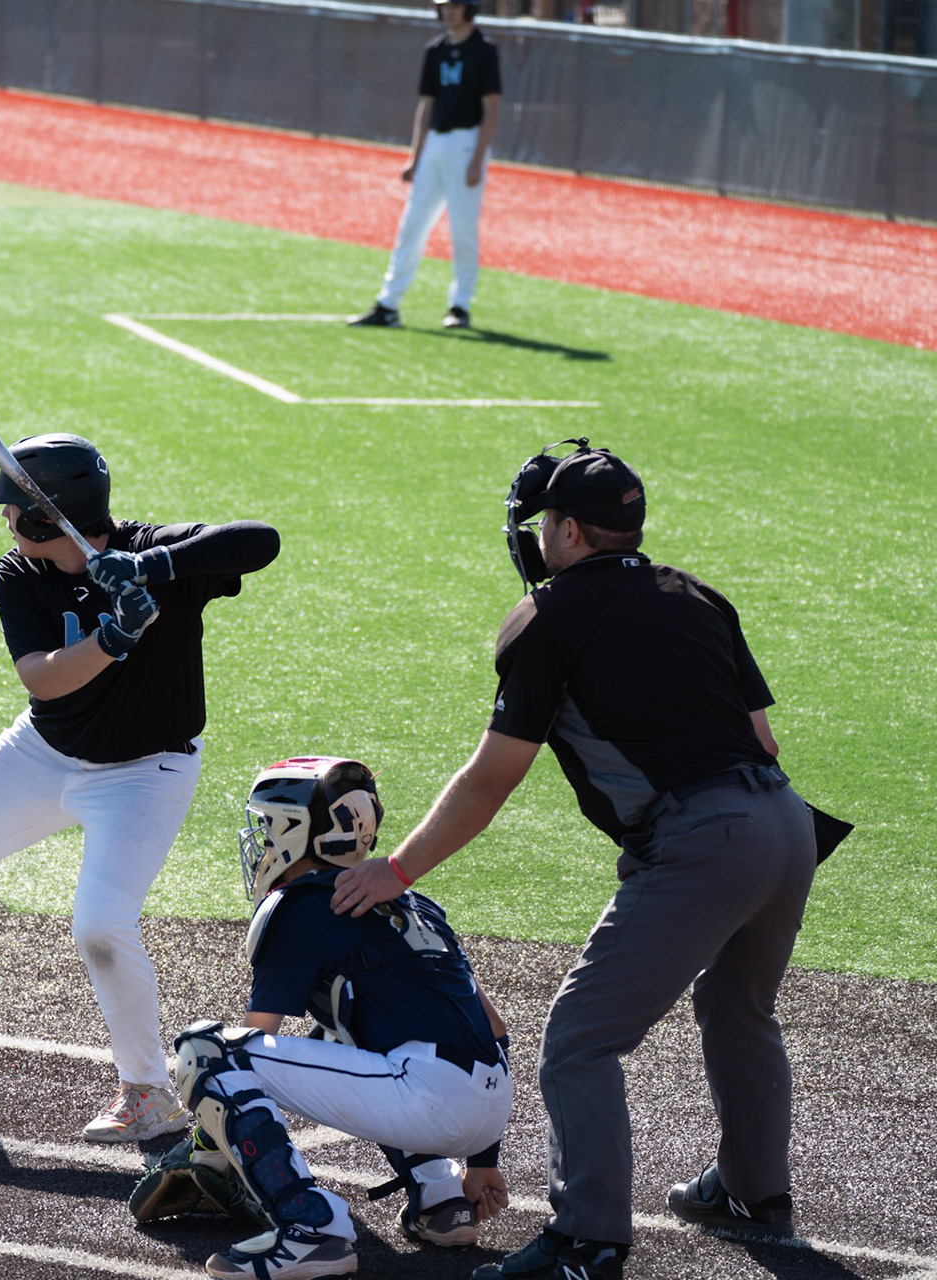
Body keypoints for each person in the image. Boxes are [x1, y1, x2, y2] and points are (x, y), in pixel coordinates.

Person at [329, 444, 820, 1280]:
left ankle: (585, 1241)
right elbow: (763, 742)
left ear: (566, 531)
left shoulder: (545, 618)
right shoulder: (697, 594)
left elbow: (491, 779)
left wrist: (396, 869)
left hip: (707, 840)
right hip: (787, 824)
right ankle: (752, 1189)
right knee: (738, 1006)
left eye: (546, 523)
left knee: (579, 1042)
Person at [0, 433, 281, 1145]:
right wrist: (117, 635)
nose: (3, 518)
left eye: (11, 507)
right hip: (43, 754)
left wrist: (149, 568)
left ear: (44, 514)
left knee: (101, 925)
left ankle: (147, 1092)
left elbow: (259, 540)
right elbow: (44, 678)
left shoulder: (149, 550)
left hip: (147, 772)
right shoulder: (19, 573)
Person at [132, 756, 514, 1280]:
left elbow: (252, 1041)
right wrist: (483, 1159)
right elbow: (494, 1030)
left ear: (295, 830)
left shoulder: (300, 905)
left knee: (208, 1054)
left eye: (268, 826)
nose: (262, 840)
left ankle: (311, 1229)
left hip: (428, 1097)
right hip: (487, 1099)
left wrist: (212, 1143)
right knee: (343, 1028)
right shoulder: (414, 903)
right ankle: (442, 1198)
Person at [349, 0, 502, 332]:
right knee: (412, 223)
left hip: (466, 142)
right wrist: (415, 156)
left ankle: (460, 306)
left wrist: (478, 158)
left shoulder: (484, 50)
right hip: (436, 141)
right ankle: (388, 304)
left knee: (462, 229)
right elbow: (426, 105)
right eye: (444, 6)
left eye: (455, 6)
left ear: (469, 9)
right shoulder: (435, 50)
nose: (448, 12)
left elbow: (491, 107)